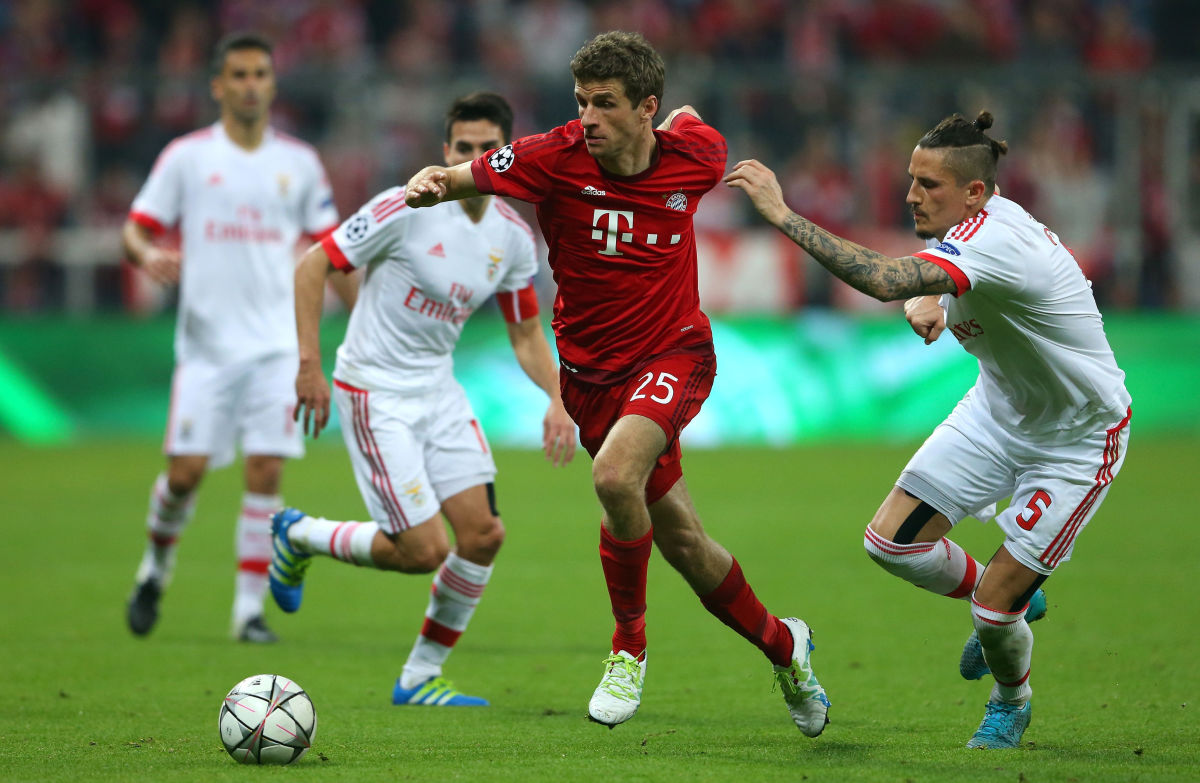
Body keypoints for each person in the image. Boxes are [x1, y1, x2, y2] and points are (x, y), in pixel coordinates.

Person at [402, 31, 831, 735]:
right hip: (590, 378)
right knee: (686, 544)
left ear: (645, 108)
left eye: (605, 103)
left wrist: (682, 122)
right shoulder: (550, 156)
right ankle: (787, 646)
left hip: (673, 353)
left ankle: (628, 648)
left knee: (612, 477)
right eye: (582, 102)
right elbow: (458, 177)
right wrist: (429, 183)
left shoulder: (697, 154)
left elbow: (693, 123)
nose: (588, 118)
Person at [726, 111, 1131, 748]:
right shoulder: (979, 224)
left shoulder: (999, 241)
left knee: (992, 615)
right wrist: (938, 297)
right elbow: (956, 273)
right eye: (912, 179)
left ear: (974, 192)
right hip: (996, 413)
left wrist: (782, 214)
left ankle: (1011, 701)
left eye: (929, 185)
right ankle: (1014, 595)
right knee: (889, 544)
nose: (911, 194)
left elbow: (883, 279)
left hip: (1075, 440)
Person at [269, 92, 577, 706]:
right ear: (446, 150)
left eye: (487, 147)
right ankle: (300, 534)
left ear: (507, 154)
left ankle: (418, 677)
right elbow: (314, 265)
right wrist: (309, 365)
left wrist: (557, 399)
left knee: (483, 536)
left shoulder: (514, 238)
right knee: (423, 551)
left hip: (438, 389)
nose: (473, 157)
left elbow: (524, 333)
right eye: (463, 147)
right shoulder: (405, 206)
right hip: (375, 389)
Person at [123, 32, 344, 643]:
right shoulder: (187, 157)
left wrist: (363, 316)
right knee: (186, 475)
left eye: (260, 74)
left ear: (272, 85)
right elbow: (136, 229)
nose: (250, 85)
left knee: (266, 470)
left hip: (277, 346)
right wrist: (147, 254)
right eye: (239, 75)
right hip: (207, 348)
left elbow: (332, 249)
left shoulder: (299, 163)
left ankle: (248, 612)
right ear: (218, 86)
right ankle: (154, 568)